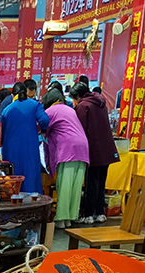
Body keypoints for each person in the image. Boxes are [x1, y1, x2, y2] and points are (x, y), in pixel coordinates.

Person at [70, 82, 119, 224]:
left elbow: (80, 129)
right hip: (107, 148)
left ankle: (88, 214)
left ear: (78, 96)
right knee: (101, 182)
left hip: (93, 149)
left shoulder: (83, 106)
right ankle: (100, 213)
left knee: (91, 182)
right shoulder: (100, 102)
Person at [42, 88, 89, 229]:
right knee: (75, 186)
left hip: (68, 149)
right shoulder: (70, 109)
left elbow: (41, 128)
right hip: (83, 148)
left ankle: (61, 218)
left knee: (65, 185)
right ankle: (70, 217)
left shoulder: (51, 111)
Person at [0, 82, 49, 194]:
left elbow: (1, 133)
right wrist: (42, 130)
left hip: (11, 151)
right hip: (30, 149)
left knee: (12, 183)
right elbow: (44, 120)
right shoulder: (35, 105)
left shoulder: (7, 110)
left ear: (13, 95)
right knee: (30, 177)